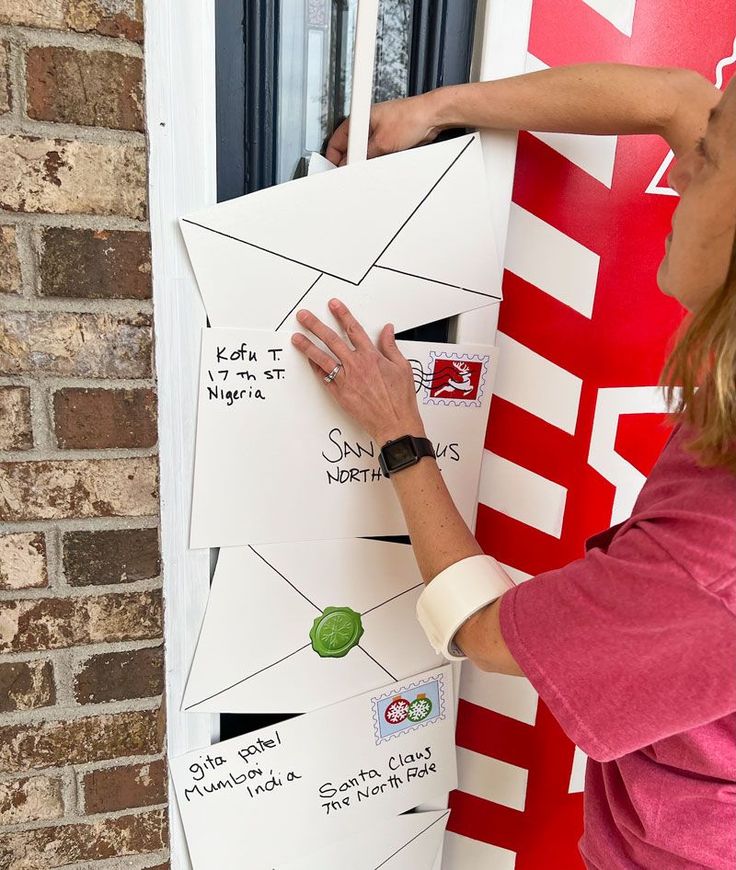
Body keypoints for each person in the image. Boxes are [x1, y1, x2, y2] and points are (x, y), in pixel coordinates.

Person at [291, 64, 736, 869]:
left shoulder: (714, 557)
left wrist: (400, 432)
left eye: (707, 160)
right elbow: (679, 102)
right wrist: (438, 106)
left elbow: (484, 631)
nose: (680, 170)